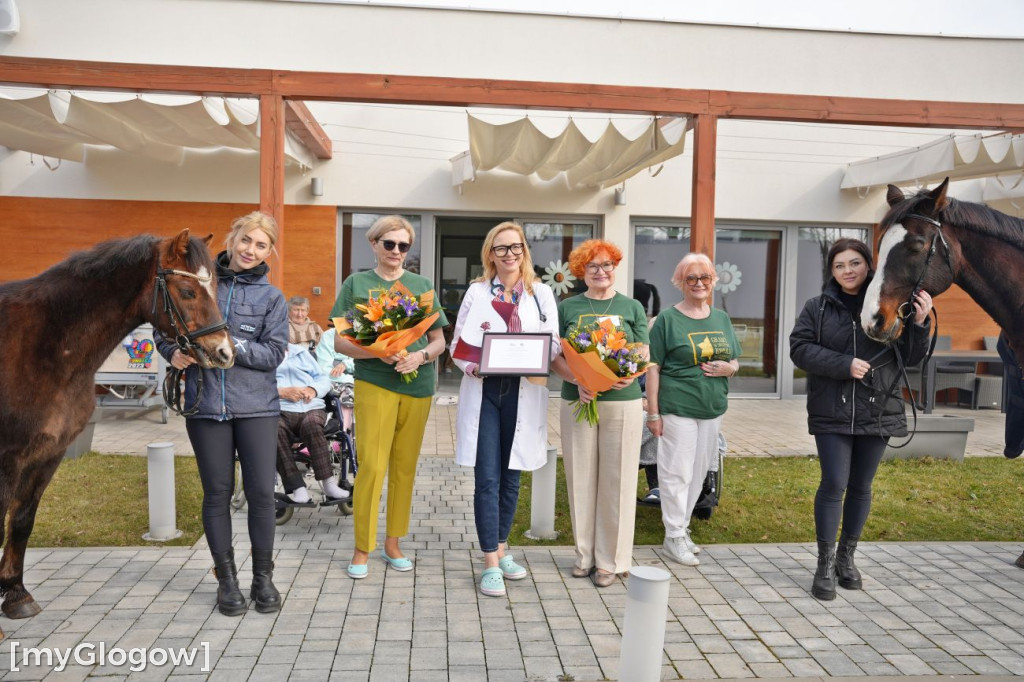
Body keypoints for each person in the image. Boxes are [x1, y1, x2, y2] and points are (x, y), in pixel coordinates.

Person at [156, 211, 288, 616]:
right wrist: (172, 352)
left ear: (270, 251)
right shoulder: (199, 281)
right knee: (216, 493)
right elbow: (164, 328)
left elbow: (275, 353)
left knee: (262, 495)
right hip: (205, 405)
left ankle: (263, 578)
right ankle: (226, 580)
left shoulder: (272, 298)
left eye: (261, 245)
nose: (251, 250)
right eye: (246, 240)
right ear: (232, 240)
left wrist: (230, 346)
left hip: (257, 409)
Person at [790, 237, 932, 600]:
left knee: (861, 486)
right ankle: (824, 563)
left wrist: (918, 322)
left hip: (878, 407)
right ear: (832, 271)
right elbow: (799, 349)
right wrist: (843, 365)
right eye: (839, 265)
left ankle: (846, 559)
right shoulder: (817, 308)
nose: (847, 271)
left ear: (869, 265)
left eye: (854, 263)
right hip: (831, 409)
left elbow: (912, 357)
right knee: (834, 482)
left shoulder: (888, 302)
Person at [329, 215, 448, 579]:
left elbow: (440, 341)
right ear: (375, 245)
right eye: (389, 244)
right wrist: (379, 352)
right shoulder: (357, 283)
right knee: (373, 467)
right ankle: (363, 547)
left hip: (418, 387)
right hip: (375, 383)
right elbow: (339, 341)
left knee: (403, 469)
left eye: (404, 245)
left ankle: (394, 542)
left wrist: (420, 356)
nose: (397, 251)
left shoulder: (421, 285)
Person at [451, 221, 560, 598]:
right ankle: (490, 562)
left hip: (524, 390)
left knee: (513, 476)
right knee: (488, 476)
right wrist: (472, 365)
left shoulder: (541, 293)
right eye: (501, 248)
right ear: (490, 254)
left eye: (516, 248)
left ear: (524, 252)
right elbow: (458, 345)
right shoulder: (476, 291)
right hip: (485, 389)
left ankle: (501, 547)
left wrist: (536, 354)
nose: (509, 254)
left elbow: (556, 343)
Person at [551, 239, 648, 587]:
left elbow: (642, 351)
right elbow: (555, 355)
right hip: (579, 399)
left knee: (617, 479)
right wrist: (578, 378)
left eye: (607, 265)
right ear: (581, 271)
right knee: (580, 476)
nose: (600, 271)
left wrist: (629, 373)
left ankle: (611, 560)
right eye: (592, 266)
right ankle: (584, 555)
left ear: (615, 268)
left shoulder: (632, 306)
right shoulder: (567, 307)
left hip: (622, 403)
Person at [646, 253, 740, 568]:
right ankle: (672, 535)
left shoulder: (721, 318)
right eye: (691, 278)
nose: (699, 283)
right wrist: (653, 413)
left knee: (699, 473)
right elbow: (653, 367)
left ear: (713, 281)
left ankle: (681, 528)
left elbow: (735, 360)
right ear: (680, 283)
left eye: (705, 278)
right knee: (677, 472)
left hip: (712, 407)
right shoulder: (667, 320)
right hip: (678, 407)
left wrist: (730, 368)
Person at [275, 342, 350, 506]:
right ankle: (298, 489)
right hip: (280, 408)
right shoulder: (265, 355)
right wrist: (282, 392)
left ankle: (329, 485)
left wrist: (313, 389)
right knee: (274, 430)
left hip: (311, 407)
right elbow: (257, 385)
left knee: (312, 425)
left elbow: (323, 378)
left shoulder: (301, 353)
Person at [315, 321, 355, 430]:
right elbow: (325, 370)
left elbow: (366, 362)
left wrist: (346, 364)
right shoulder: (329, 336)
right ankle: (345, 432)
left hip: (358, 378)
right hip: (335, 380)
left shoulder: (365, 336)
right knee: (347, 393)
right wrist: (351, 379)